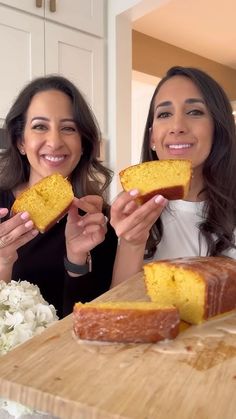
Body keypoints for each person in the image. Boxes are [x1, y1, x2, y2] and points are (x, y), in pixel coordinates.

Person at [0, 75, 117, 318]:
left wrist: (77, 261)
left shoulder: (99, 221)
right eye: (40, 126)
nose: (54, 142)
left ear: (83, 143)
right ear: (21, 142)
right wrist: (3, 263)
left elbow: (88, 323)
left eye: (68, 128)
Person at [111, 66, 236, 286]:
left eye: (195, 112)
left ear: (218, 128)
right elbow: (119, 307)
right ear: (152, 137)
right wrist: (131, 243)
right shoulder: (128, 212)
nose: (177, 126)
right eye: (164, 114)